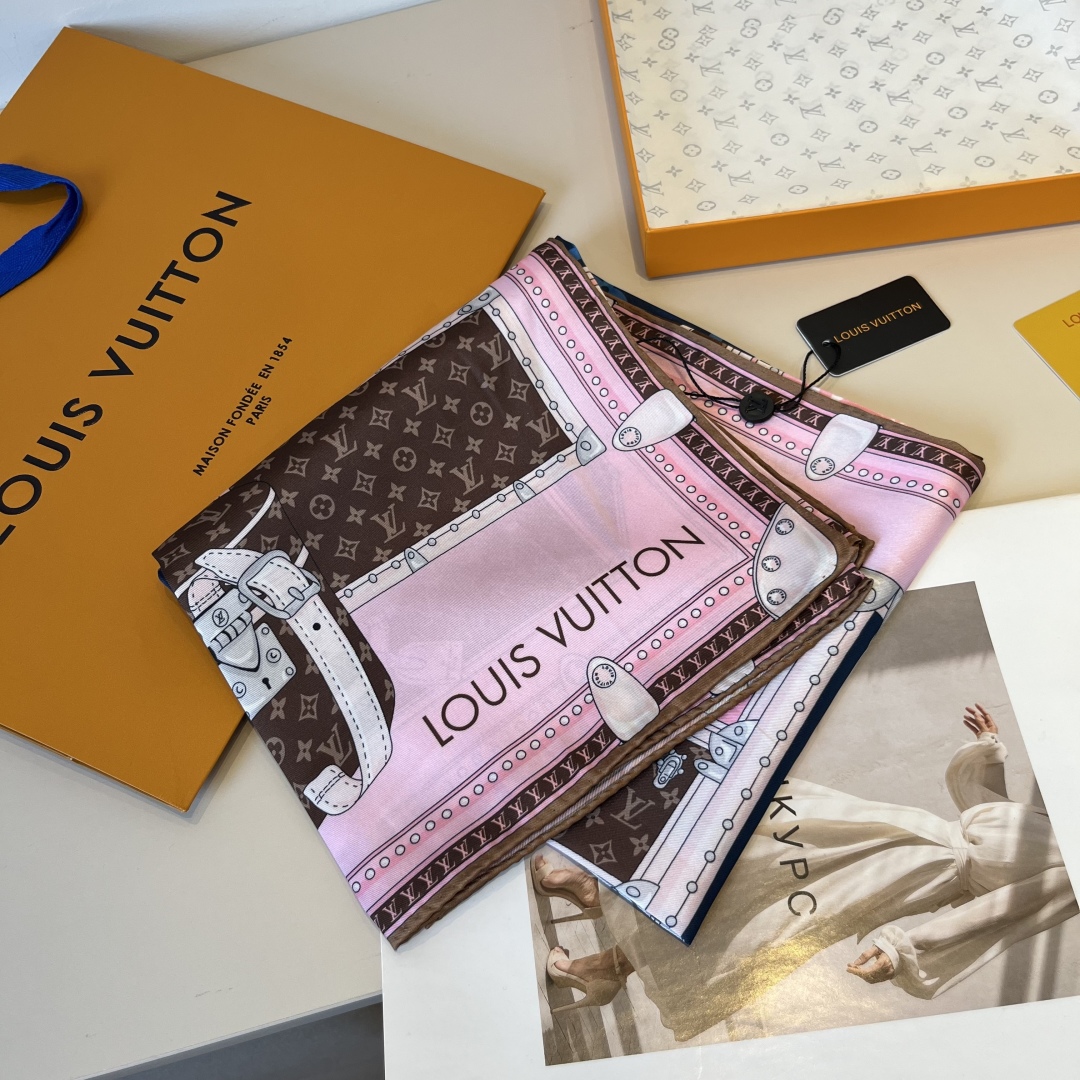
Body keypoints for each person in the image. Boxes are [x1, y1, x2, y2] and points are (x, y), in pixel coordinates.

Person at [536, 705, 1078, 1039]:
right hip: (905, 829)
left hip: (912, 872)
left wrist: (904, 948)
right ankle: (605, 920)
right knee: (758, 839)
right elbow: (998, 825)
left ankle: (603, 938)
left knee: (762, 910)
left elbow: (1001, 911)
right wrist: (990, 755)